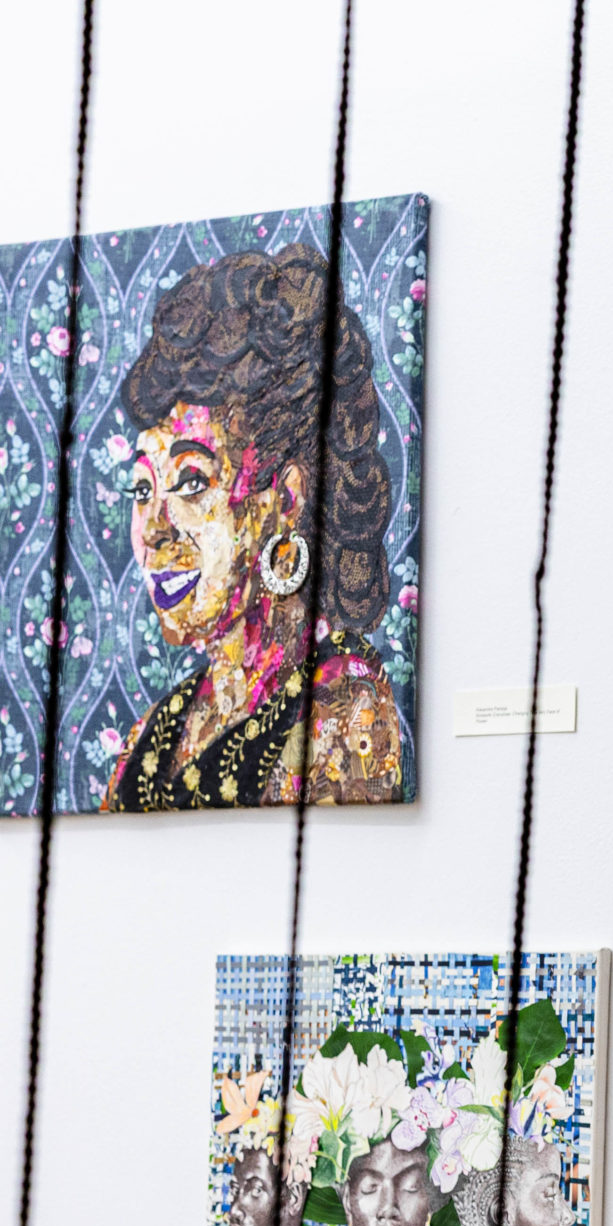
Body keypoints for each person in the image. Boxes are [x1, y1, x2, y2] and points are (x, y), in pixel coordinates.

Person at [103, 244, 404, 811]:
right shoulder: (155, 734)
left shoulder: (342, 705)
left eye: (192, 483)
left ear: (283, 500)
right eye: (143, 490)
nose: (155, 531)